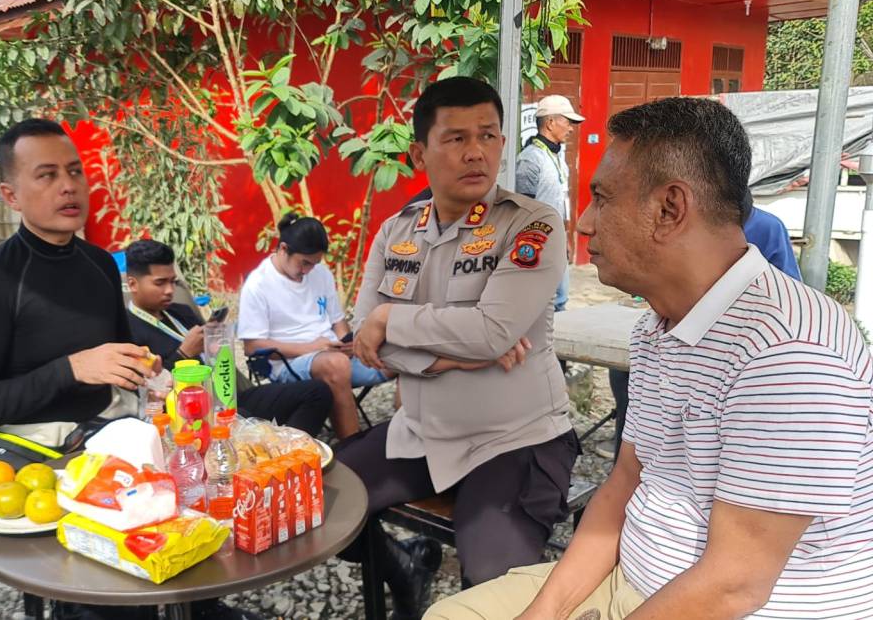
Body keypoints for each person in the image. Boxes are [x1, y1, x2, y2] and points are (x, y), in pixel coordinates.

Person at [426, 97, 873, 620]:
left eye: (602, 198)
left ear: (669, 209)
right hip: (631, 578)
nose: (584, 224)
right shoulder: (657, 327)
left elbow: (735, 586)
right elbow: (624, 484)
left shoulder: (790, 354)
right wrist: (543, 613)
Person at [339, 76, 579, 620]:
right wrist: (453, 355)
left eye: (488, 135)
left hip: (515, 440)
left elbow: (492, 332)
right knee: (322, 503)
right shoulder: (396, 231)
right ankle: (403, 570)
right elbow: (364, 342)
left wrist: (390, 319)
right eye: (456, 139)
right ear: (418, 153)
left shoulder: (530, 223)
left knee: (491, 583)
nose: (476, 152)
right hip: (421, 435)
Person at [0, 118, 157, 620]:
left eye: (75, 171)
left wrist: (142, 364)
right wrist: (71, 369)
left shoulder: (100, 264)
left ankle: (199, 608)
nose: (68, 185)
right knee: (115, 584)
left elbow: (118, 348)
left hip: (105, 434)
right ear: (11, 196)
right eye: (47, 174)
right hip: (35, 451)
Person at [597, 201, 801, 461]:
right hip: (673, 334)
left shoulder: (767, 227)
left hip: (727, 349)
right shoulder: (647, 334)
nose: (587, 225)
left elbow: (786, 288)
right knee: (627, 384)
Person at [124, 238, 333, 436]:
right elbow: (147, 392)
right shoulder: (126, 329)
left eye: (173, 282)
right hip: (192, 413)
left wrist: (215, 342)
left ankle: (290, 450)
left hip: (226, 395)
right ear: (133, 284)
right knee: (243, 418)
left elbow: (212, 357)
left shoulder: (181, 311)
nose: (169, 290)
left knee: (317, 392)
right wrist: (184, 353)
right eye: (160, 283)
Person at [237, 214, 388, 439]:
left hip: (332, 353)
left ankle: (412, 437)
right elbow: (252, 347)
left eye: (314, 264)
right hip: (289, 363)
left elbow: (338, 323)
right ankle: (352, 446)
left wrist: (347, 343)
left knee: (400, 354)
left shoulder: (321, 273)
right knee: (336, 365)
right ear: (283, 249)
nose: (308, 270)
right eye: (304, 263)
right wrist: (314, 347)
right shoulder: (258, 284)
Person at [515, 95, 584, 312]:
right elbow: (522, 207)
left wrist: (564, 236)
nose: (571, 128)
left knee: (560, 298)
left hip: (556, 237)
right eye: (568, 122)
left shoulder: (555, 156)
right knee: (543, 301)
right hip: (537, 242)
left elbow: (559, 200)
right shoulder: (530, 159)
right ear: (550, 123)